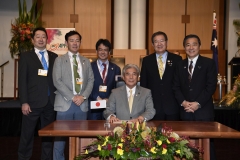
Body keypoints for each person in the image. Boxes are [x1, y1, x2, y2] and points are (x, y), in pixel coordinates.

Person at [173, 34, 217, 160]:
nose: (191, 47)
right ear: (184, 47)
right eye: (188, 44)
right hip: (185, 112)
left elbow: (210, 87)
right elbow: (175, 87)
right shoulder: (179, 65)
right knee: (185, 146)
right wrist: (183, 102)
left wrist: (197, 103)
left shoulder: (209, 63)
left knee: (208, 146)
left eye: (194, 44)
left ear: (199, 46)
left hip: (203, 112)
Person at [52, 30, 94, 160]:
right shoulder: (59, 60)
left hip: (81, 104)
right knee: (59, 140)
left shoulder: (86, 61)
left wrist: (83, 96)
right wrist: (72, 97)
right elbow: (57, 81)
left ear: (80, 43)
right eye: (72, 40)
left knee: (81, 140)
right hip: (65, 103)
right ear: (66, 43)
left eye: (77, 40)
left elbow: (91, 80)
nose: (75, 43)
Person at [18, 27, 58, 160]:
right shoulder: (25, 56)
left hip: (50, 102)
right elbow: (22, 81)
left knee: (48, 137)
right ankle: (23, 157)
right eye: (38, 37)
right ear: (33, 39)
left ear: (47, 39)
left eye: (43, 37)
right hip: (32, 103)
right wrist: (24, 102)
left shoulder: (54, 56)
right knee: (27, 135)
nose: (41, 39)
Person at [140, 31, 182, 120]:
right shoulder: (147, 61)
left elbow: (180, 83)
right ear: (152, 44)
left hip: (173, 107)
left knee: (173, 133)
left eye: (162, 41)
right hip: (153, 107)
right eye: (156, 41)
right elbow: (144, 84)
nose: (159, 44)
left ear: (166, 42)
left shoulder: (177, 59)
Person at [88, 39, 121, 120]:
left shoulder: (116, 68)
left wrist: (110, 98)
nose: (103, 52)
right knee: (93, 130)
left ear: (109, 52)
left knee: (108, 130)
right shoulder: (89, 67)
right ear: (96, 51)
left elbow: (118, 87)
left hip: (109, 106)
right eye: (100, 50)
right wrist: (97, 97)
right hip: (93, 105)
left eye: (105, 50)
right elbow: (86, 85)